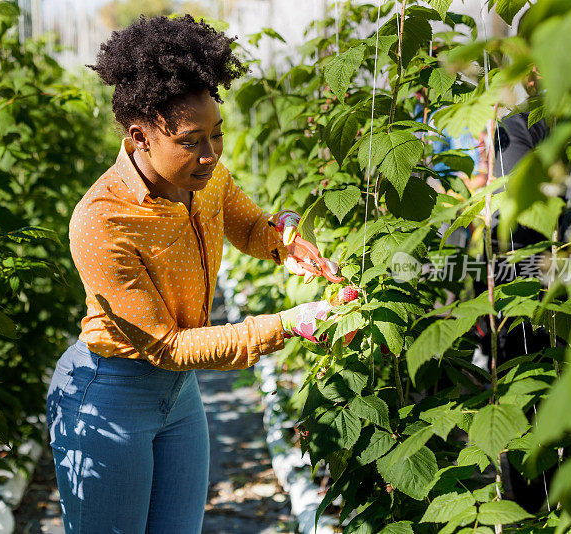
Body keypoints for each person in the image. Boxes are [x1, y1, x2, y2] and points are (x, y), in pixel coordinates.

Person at [45, 15, 346, 533]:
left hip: (179, 397)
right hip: (110, 397)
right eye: (190, 141)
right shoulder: (101, 220)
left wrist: (287, 241)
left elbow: (247, 223)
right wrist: (288, 324)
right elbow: (164, 345)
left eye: (217, 134)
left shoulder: (205, 177)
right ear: (139, 135)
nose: (209, 155)